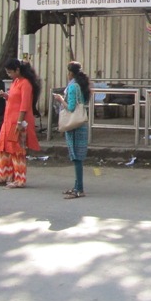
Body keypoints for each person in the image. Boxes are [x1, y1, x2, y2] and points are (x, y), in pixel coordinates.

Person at [0, 58, 41, 188]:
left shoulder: (25, 84)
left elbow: (24, 105)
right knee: (2, 148)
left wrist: (19, 122)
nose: (9, 75)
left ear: (17, 70)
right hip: (8, 121)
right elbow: (14, 98)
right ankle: (3, 176)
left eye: (10, 72)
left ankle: (19, 179)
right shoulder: (16, 81)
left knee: (17, 150)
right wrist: (5, 95)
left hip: (17, 122)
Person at [53, 61, 91, 199]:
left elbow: (70, 107)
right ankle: (76, 186)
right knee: (77, 157)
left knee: (76, 157)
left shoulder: (73, 87)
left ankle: (79, 189)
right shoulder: (80, 85)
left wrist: (60, 99)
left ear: (70, 73)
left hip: (74, 127)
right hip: (79, 125)